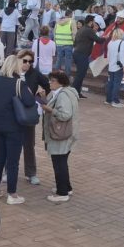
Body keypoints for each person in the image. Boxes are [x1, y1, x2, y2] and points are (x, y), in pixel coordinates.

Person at [0, 55, 37, 205]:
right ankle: (12, 194)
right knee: (12, 162)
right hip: (14, 127)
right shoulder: (19, 84)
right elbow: (30, 101)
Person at [42, 70, 78, 203]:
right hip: (64, 134)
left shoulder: (63, 95)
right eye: (50, 80)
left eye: (53, 81)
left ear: (61, 83)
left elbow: (65, 114)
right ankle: (66, 188)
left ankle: (62, 193)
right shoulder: (61, 92)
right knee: (61, 162)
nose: (50, 83)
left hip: (61, 134)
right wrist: (44, 98)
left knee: (59, 163)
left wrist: (50, 110)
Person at [16, 49, 48, 185]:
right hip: (13, 112)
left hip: (29, 112)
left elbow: (47, 84)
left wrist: (41, 95)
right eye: (25, 61)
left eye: (30, 61)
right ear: (19, 60)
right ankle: (8, 170)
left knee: (29, 144)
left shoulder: (34, 73)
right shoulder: (12, 72)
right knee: (12, 143)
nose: (28, 64)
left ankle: (31, 173)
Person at [72, 17, 105, 97]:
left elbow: (75, 42)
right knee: (80, 75)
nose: (94, 23)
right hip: (82, 55)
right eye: (94, 21)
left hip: (77, 53)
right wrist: (105, 38)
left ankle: (77, 93)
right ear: (91, 22)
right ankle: (73, 93)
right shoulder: (89, 30)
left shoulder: (82, 29)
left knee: (80, 74)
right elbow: (98, 40)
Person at [104, 27, 124, 107]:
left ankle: (108, 100)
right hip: (118, 66)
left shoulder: (110, 42)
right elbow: (123, 55)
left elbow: (108, 55)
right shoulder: (122, 42)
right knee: (116, 84)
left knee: (110, 83)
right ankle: (115, 101)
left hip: (111, 66)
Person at [53, 10, 75, 75]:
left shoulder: (58, 22)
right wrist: (74, 42)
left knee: (59, 59)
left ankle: (55, 75)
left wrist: (56, 42)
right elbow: (74, 34)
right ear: (70, 14)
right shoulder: (72, 21)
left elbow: (54, 33)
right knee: (68, 60)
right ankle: (67, 76)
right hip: (69, 44)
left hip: (59, 43)